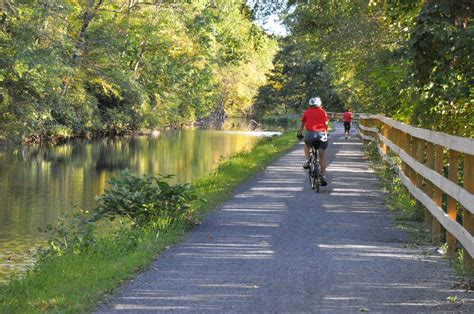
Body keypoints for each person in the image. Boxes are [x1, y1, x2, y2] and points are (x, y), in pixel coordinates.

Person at [297, 97, 329, 186]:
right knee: (322, 157)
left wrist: (300, 133)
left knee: (307, 145)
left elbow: (303, 124)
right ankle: (323, 176)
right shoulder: (323, 112)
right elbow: (326, 124)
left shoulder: (307, 112)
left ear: (310, 105)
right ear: (320, 104)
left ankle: (308, 160)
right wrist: (326, 132)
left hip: (310, 135)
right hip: (322, 135)